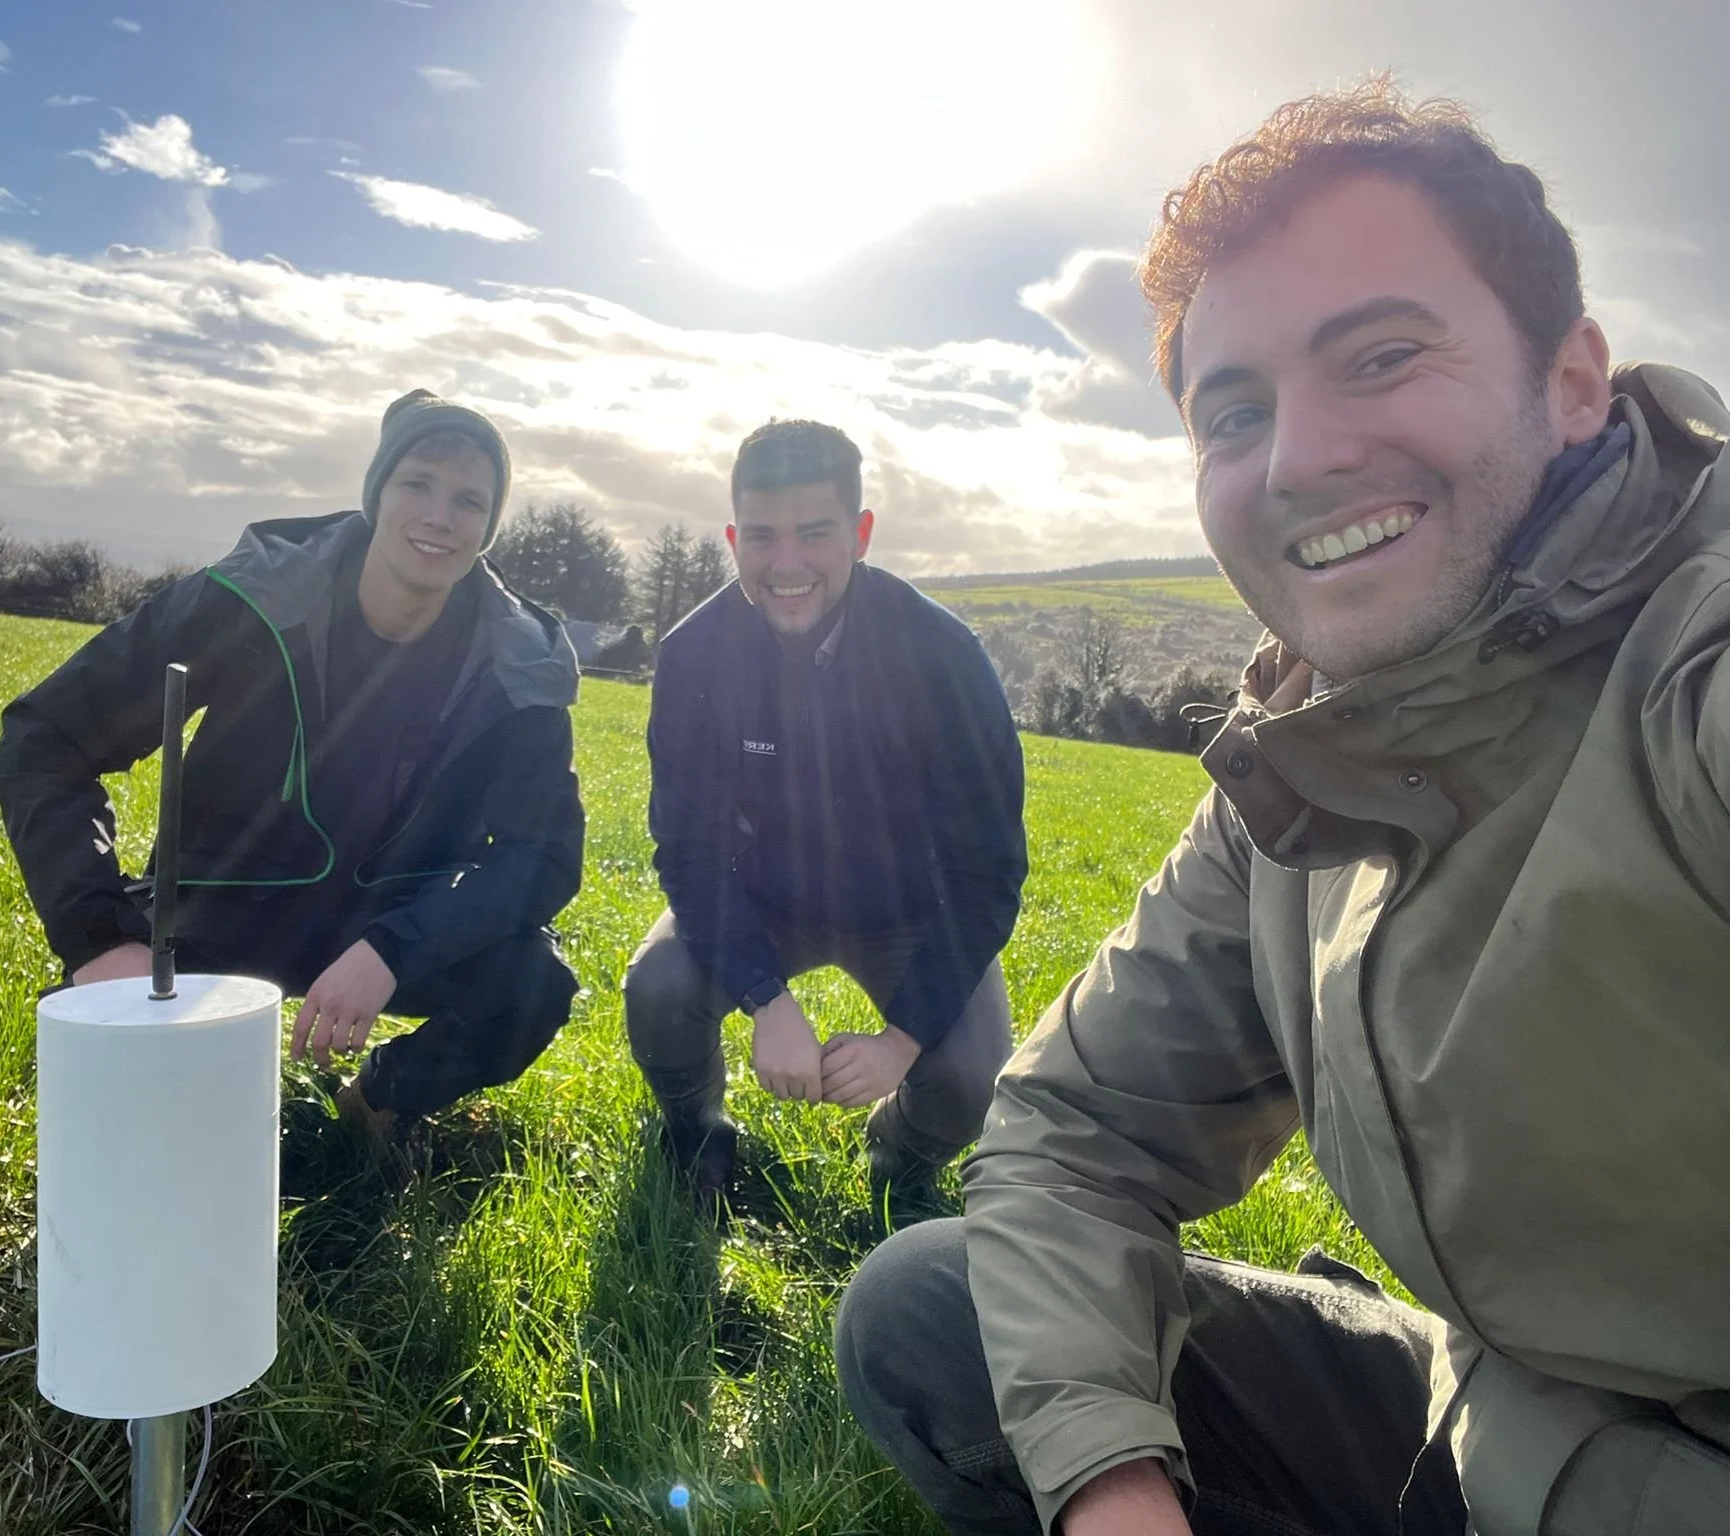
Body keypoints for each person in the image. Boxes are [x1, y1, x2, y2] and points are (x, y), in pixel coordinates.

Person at [834, 81, 1730, 1535]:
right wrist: (1112, 1493)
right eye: (1234, 413)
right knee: (932, 1313)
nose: (1298, 458)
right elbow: (1070, 1131)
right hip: (1494, 1420)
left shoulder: (1694, 667)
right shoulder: (1309, 755)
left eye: (1381, 356)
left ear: (1572, 380)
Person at [0, 389, 585, 1145]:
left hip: (390, 917)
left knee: (532, 985)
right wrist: (100, 939)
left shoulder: (518, 663)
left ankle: (377, 1105)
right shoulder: (251, 596)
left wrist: (395, 948)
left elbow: (542, 857)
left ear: (489, 525)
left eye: (469, 499)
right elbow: (45, 739)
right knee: (125, 1094)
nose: (439, 516)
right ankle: (173, 1093)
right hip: (221, 902)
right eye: (417, 484)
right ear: (377, 494)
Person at [625, 419, 1027, 1206]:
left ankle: (897, 1155)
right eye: (763, 537)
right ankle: (697, 1132)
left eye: (814, 533)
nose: (787, 565)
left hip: (911, 913)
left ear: (861, 534)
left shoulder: (946, 657)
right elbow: (689, 852)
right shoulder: (693, 653)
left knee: (971, 1079)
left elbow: (989, 874)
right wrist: (765, 997)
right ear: (734, 539)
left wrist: (900, 1041)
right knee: (659, 988)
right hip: (764, 900)